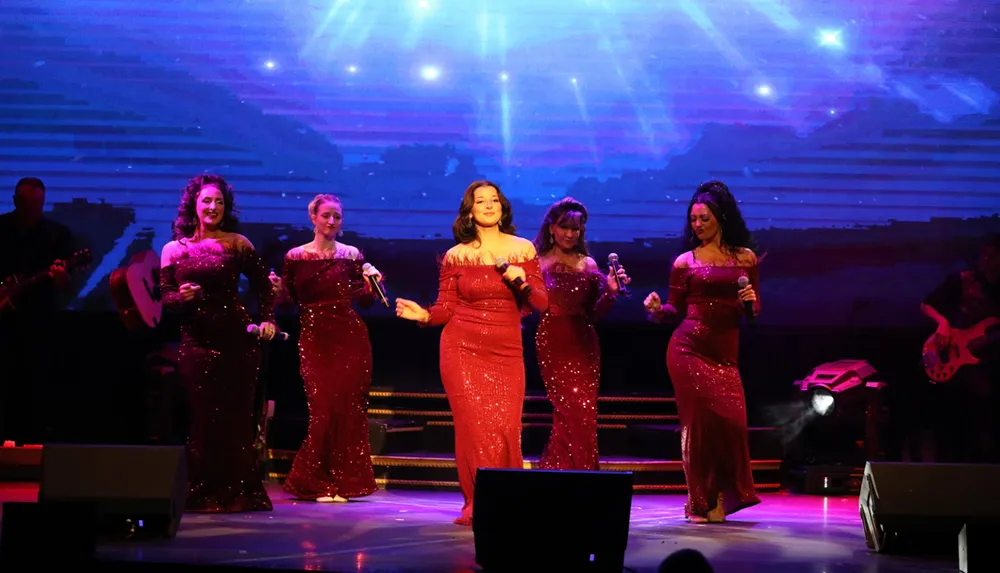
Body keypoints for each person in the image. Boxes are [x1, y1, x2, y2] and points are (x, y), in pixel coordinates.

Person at [395, 180, 548, 525]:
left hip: (506, 351)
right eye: (481, 201)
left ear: (503, 206)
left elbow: (541, 302)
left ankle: (506, 499)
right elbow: (446, 308)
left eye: (494, 200)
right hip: (462, 347)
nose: (489, 205)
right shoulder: (456, 255)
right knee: (473, 428)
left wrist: (518, 279)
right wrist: (424, 315)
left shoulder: (522, 249)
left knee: (506, 427)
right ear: (470, 210)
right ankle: (477, 502)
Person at [643, 179, 761, 523]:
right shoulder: (684, 262)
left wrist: (750, 304)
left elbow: (756, 311)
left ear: (721, 217)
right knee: (698, 427)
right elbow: (672, 310)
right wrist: (655, 310)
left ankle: (724, 494)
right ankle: (701, 502)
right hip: (688, 349)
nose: (697, 225)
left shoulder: (745, 258)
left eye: (704, 218)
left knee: (733, 424)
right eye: (693, 219)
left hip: (725, 353)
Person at [159, 174, 277, 513]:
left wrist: (267, 319)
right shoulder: (173, 249)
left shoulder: (238, 243)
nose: (213, 207)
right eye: (207, 201)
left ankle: (238, 492)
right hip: (196, 340)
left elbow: (263, 287)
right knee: (202, 418)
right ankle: (201, 491)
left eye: (219, 202)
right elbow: (166, 297)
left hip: (236, 340)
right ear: (193, 205)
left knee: (236, 418)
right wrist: (179, 297)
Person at [269, 194, 380, 502]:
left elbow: (366, 301)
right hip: (314, 336)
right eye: (326, 215)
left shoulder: (352, 254)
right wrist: (277, 291)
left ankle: (344, 483)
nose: (332, 221)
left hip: (350, 336)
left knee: (348, 410)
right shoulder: (296, 256)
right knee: (323, 410)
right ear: (313, 218)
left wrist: (372, 283)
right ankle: (314, 481)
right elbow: (287, 300)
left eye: (337, 217)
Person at [532, 197, 629, 470]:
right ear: (552, 228)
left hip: (584, 345)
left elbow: (593, 315)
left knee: (583, 413)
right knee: (567, 410)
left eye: (576, 229)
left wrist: (610, 293)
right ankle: (571, 475)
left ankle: (571, 477)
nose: (570, 234)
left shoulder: (588, 265)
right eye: (565, 227)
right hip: (552, 341)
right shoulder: (536, 263)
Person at [0, 177, 75, 445]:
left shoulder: (57, 236)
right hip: (4, 328)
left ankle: (33, 450)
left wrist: (61, 278)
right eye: (25, 204)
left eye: (36, 205)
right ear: (15, 202)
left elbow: (67, 286)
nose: (31, 210)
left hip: (39, 325)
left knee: (36, 389)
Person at [919, 233, 1000, 463]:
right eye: (983, 254)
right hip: (953, 355)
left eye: (991, 255)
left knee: (983, 403)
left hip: (987, 362)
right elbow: (926, 304)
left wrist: (987, 341)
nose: (985, 259)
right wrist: (942, 323)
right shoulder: (963, 279)